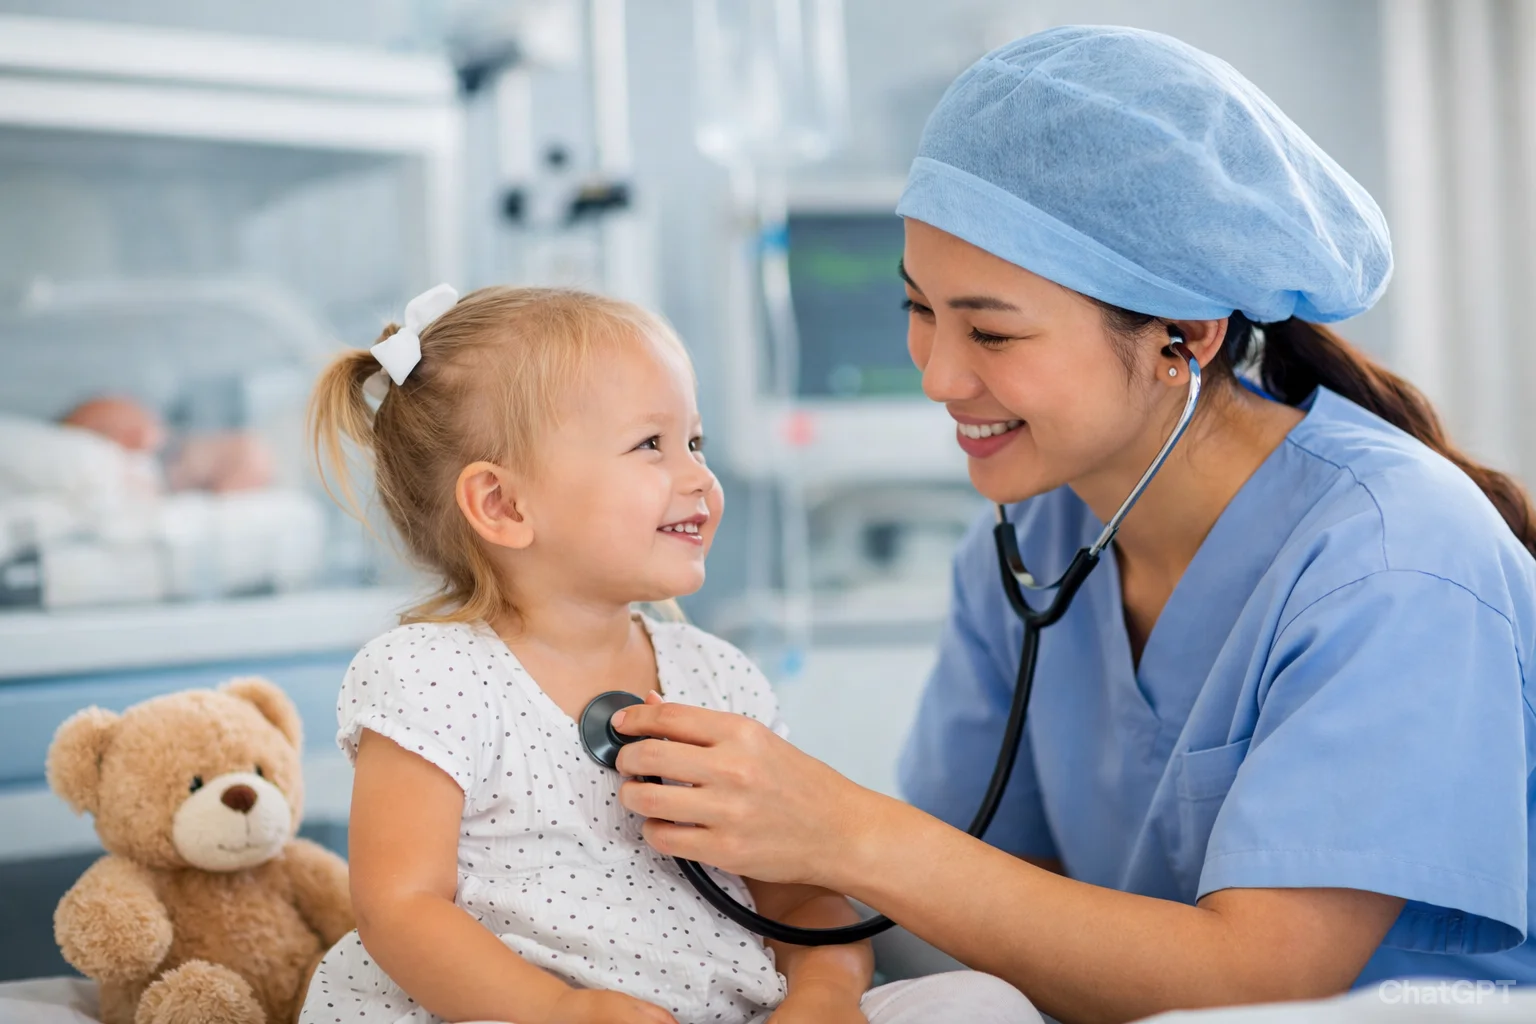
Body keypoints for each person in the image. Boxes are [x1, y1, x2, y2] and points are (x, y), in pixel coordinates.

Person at [607, 25, 1536, 1022]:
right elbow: (980, 899)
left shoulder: (1393, 561)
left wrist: (844, 831)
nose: (938, 375)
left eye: (992, 331)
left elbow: (1261, 979)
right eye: (918, 307)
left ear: (1184, 336)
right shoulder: (1029, 546)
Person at [297, 285, 1039, 1024]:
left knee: (981, 1002)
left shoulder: (717, 677)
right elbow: (400, 906)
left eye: (696, 442)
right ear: (503, 505)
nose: (700, 479)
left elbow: (800, 898)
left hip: (727, 1008)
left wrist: (822, 996)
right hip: (510, 1012)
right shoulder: (432, 675)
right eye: (651, 445)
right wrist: (559, 1012)